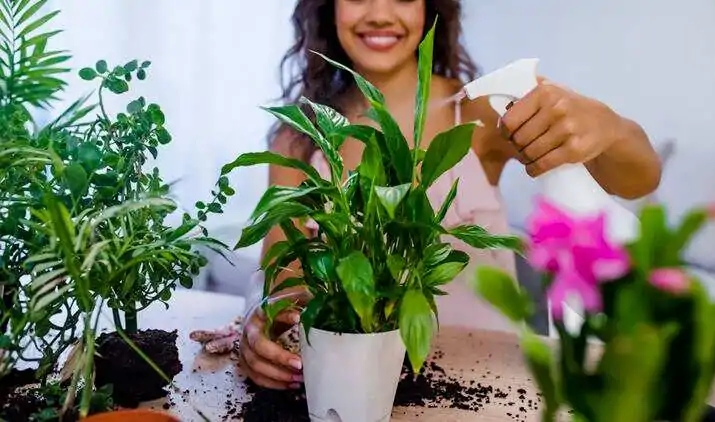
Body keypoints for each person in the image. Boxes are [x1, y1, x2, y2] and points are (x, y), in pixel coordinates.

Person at [233, 0, 662, 390]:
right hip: (353, 387)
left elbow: (639, 179)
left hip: (491, 390)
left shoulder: (480, 111)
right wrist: (260, 313)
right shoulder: (299, 138)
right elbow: (281, 276)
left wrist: (608, 126)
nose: (380, 13)